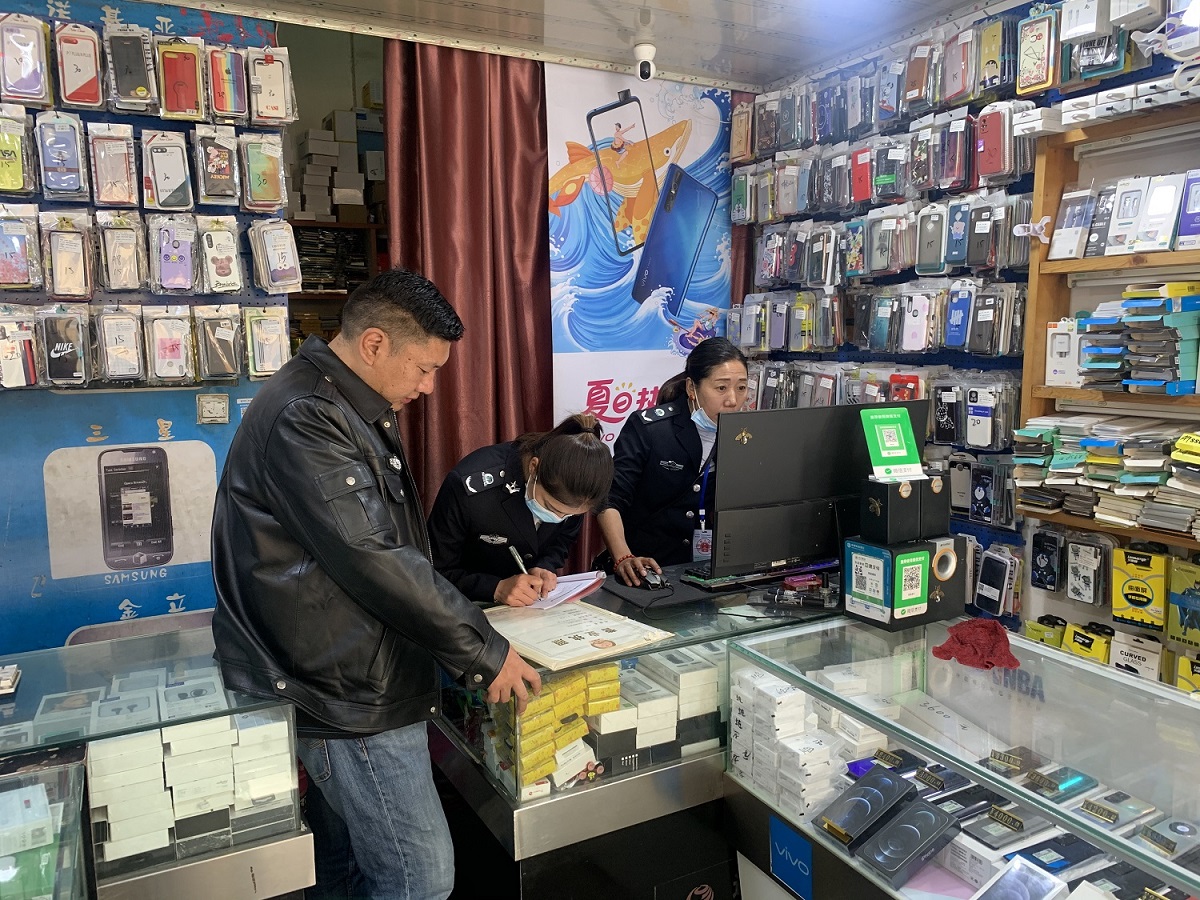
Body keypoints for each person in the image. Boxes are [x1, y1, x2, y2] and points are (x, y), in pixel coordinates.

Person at [210, 268, 541, 900]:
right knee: (421, 876)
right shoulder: (309, 416)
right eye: (424, 368)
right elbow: (374, 556)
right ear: (373, 344)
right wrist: (483, 651)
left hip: (345, 666)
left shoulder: (343, 403)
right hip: (346, 688)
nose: (429, 386)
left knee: (344, 864)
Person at [597, 337, 749, 586]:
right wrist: (624, 557)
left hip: (706, 569)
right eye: (721, 388)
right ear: (691, 388)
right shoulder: (650, 429)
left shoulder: (746, 435)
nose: (733, 400)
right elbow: (609, 500)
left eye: (741, 388)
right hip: (646, 569)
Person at [428, 414, 613, 606]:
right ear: (534, 467)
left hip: (528, 608)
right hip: (466, 605)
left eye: (569, 515)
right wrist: (494, 588)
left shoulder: (578, 490)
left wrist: (545, 565)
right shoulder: (471, 488)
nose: (558, 518)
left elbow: (562, 540)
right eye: (550, 507)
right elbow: (435, 571)